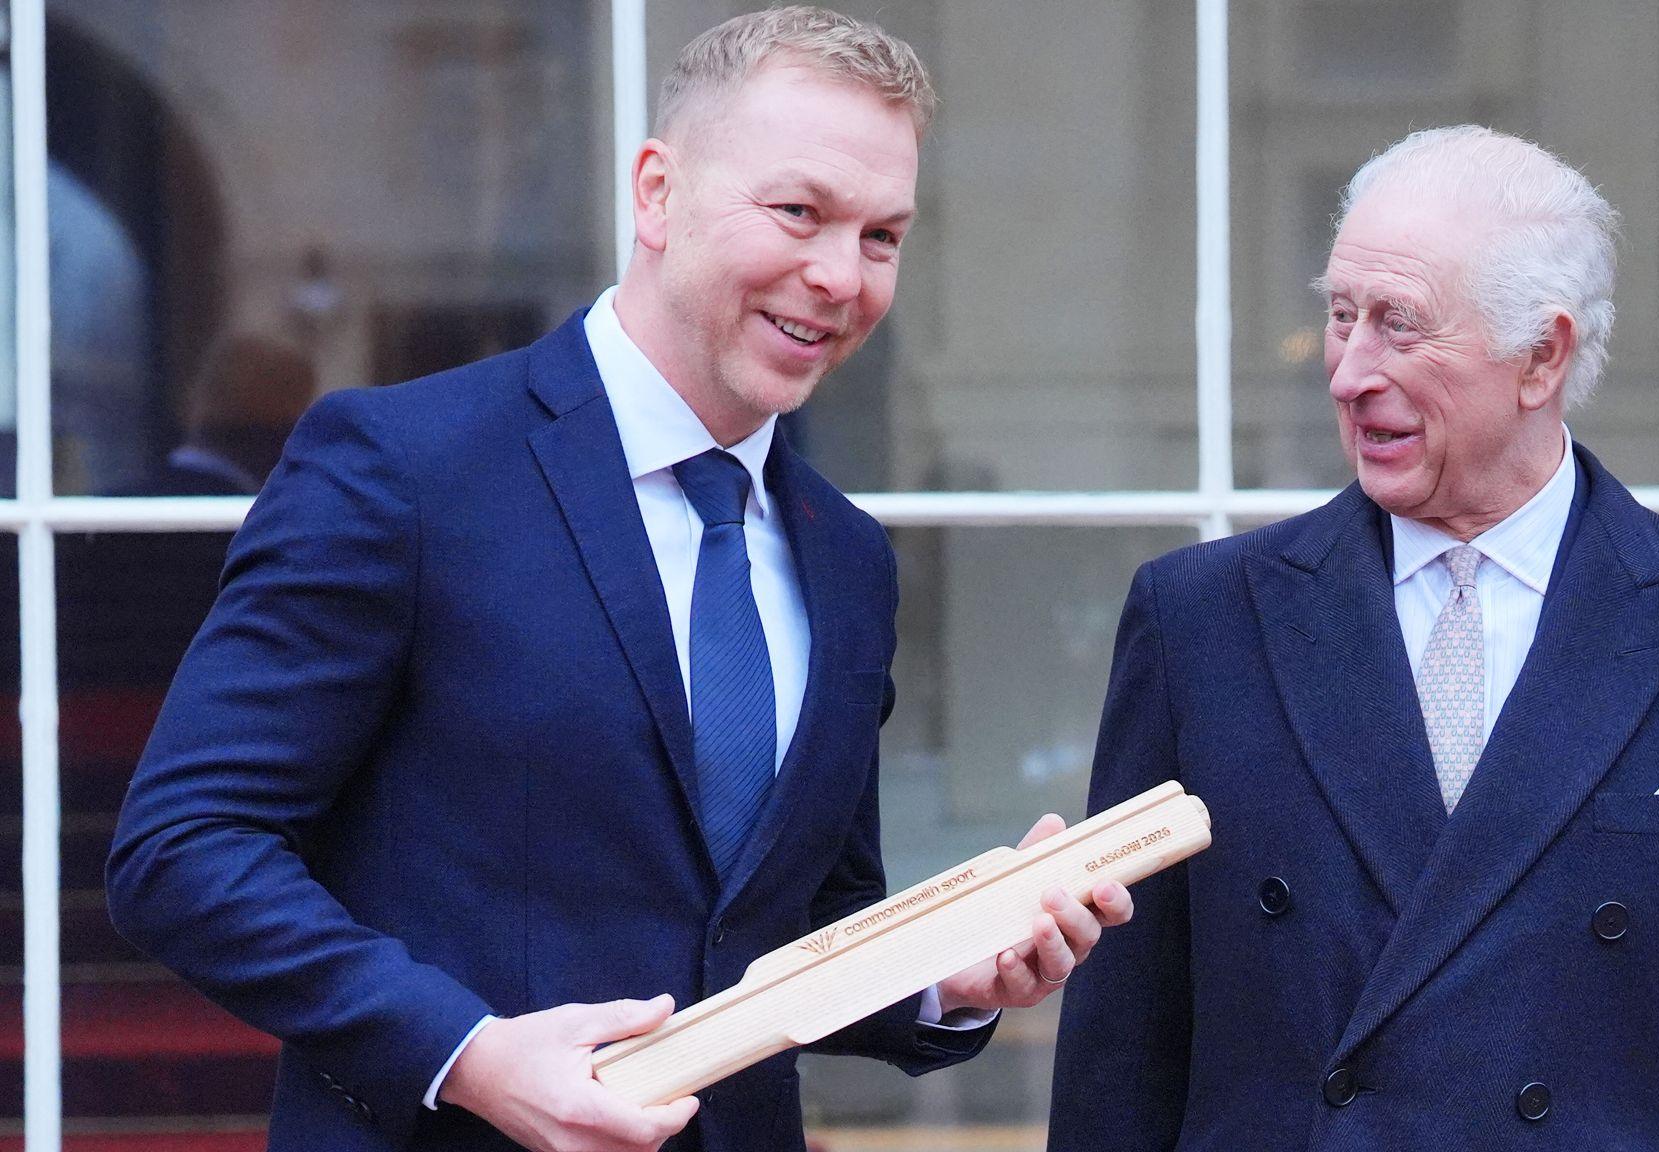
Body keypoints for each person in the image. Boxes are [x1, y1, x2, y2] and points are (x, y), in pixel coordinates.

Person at [107, 9, 1131, 1152]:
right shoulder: (403, 469)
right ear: (655, 193)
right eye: (798, 212)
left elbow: (783, 929)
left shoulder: (847, 557)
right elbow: (183, 849)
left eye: (882, 236)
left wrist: (953, 972)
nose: (838, 275)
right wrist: (470, 1055)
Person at [1046, 126, 1659, 1150]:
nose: (1347, 372)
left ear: (1542, 355)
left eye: (1398, 326)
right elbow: (1116, 1068)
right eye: (1339, 316)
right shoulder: (1197, 624)